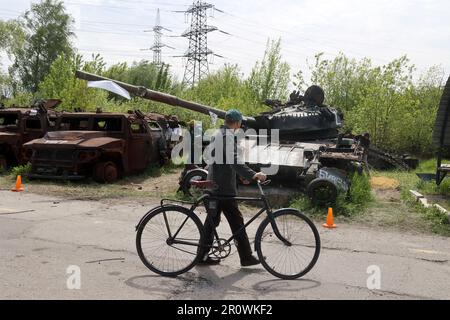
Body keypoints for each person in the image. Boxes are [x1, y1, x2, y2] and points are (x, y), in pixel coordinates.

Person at [200, 109, 267, 267]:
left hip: (217, 185)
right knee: (232, 222)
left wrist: (240, 176)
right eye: (241, 123)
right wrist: (253, 174)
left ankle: (202, 255)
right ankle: (245, 257)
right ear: (237, 123)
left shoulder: (220, 133)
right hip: (221, 189)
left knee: (213, 223)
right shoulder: (227, 137)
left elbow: (225, 160)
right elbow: (234, 160)